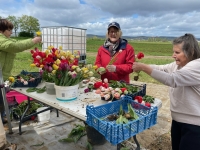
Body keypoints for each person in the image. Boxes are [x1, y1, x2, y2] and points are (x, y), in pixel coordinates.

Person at [132, 33, 200, 150]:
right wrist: (141, 65)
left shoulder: (196, 66)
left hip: (194, 125)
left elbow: (172, 79)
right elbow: (160, 68)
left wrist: (144, 67)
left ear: (191, 51)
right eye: (174, 52)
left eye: (177, 52)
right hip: (178, 120)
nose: (173, 55)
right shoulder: (178, 65)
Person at [0, 18, 42, 124]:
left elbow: (15, 42)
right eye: (9, 30)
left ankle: (2, 118)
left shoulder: (4, 39)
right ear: (2, 30)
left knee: (1, 99)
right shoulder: (1, 40)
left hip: (2, 75)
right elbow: (14, 46)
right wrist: (33, 41)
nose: (11, 32)